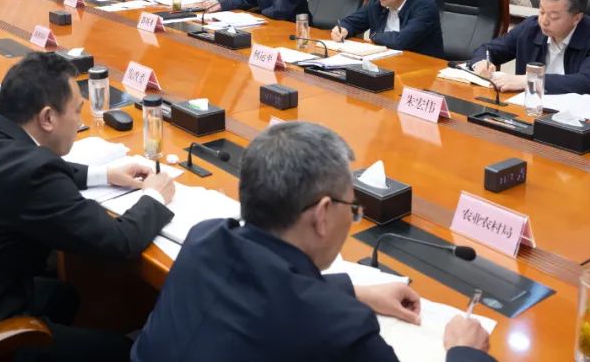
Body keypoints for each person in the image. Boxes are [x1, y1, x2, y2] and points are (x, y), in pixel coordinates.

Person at [0, 52, 175, 360]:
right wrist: (154, 196)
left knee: (63, 296)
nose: (79, 121)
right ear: (47, 118)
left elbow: (30, 168)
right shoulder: (34, 174)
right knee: (120, 351)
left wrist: (104, 174)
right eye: (76, 111)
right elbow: (118, 241)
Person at [131, 122, 495, 362]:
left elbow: (268, 286)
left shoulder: (204, 239)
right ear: (322, 214)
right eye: (351, 208)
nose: (351, 217)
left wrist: (356, 292)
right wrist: (465, 352)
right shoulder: (340, 328)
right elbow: (292, 304)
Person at [470, 0, 590, 97]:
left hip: (581, 115)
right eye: (542, 12)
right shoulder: (531, 28)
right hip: (531, 108)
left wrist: (528, 81)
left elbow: (588, 81)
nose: (544, 21)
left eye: (554, 17)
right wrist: (481, 63)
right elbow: (488, 49)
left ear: (576, 18)